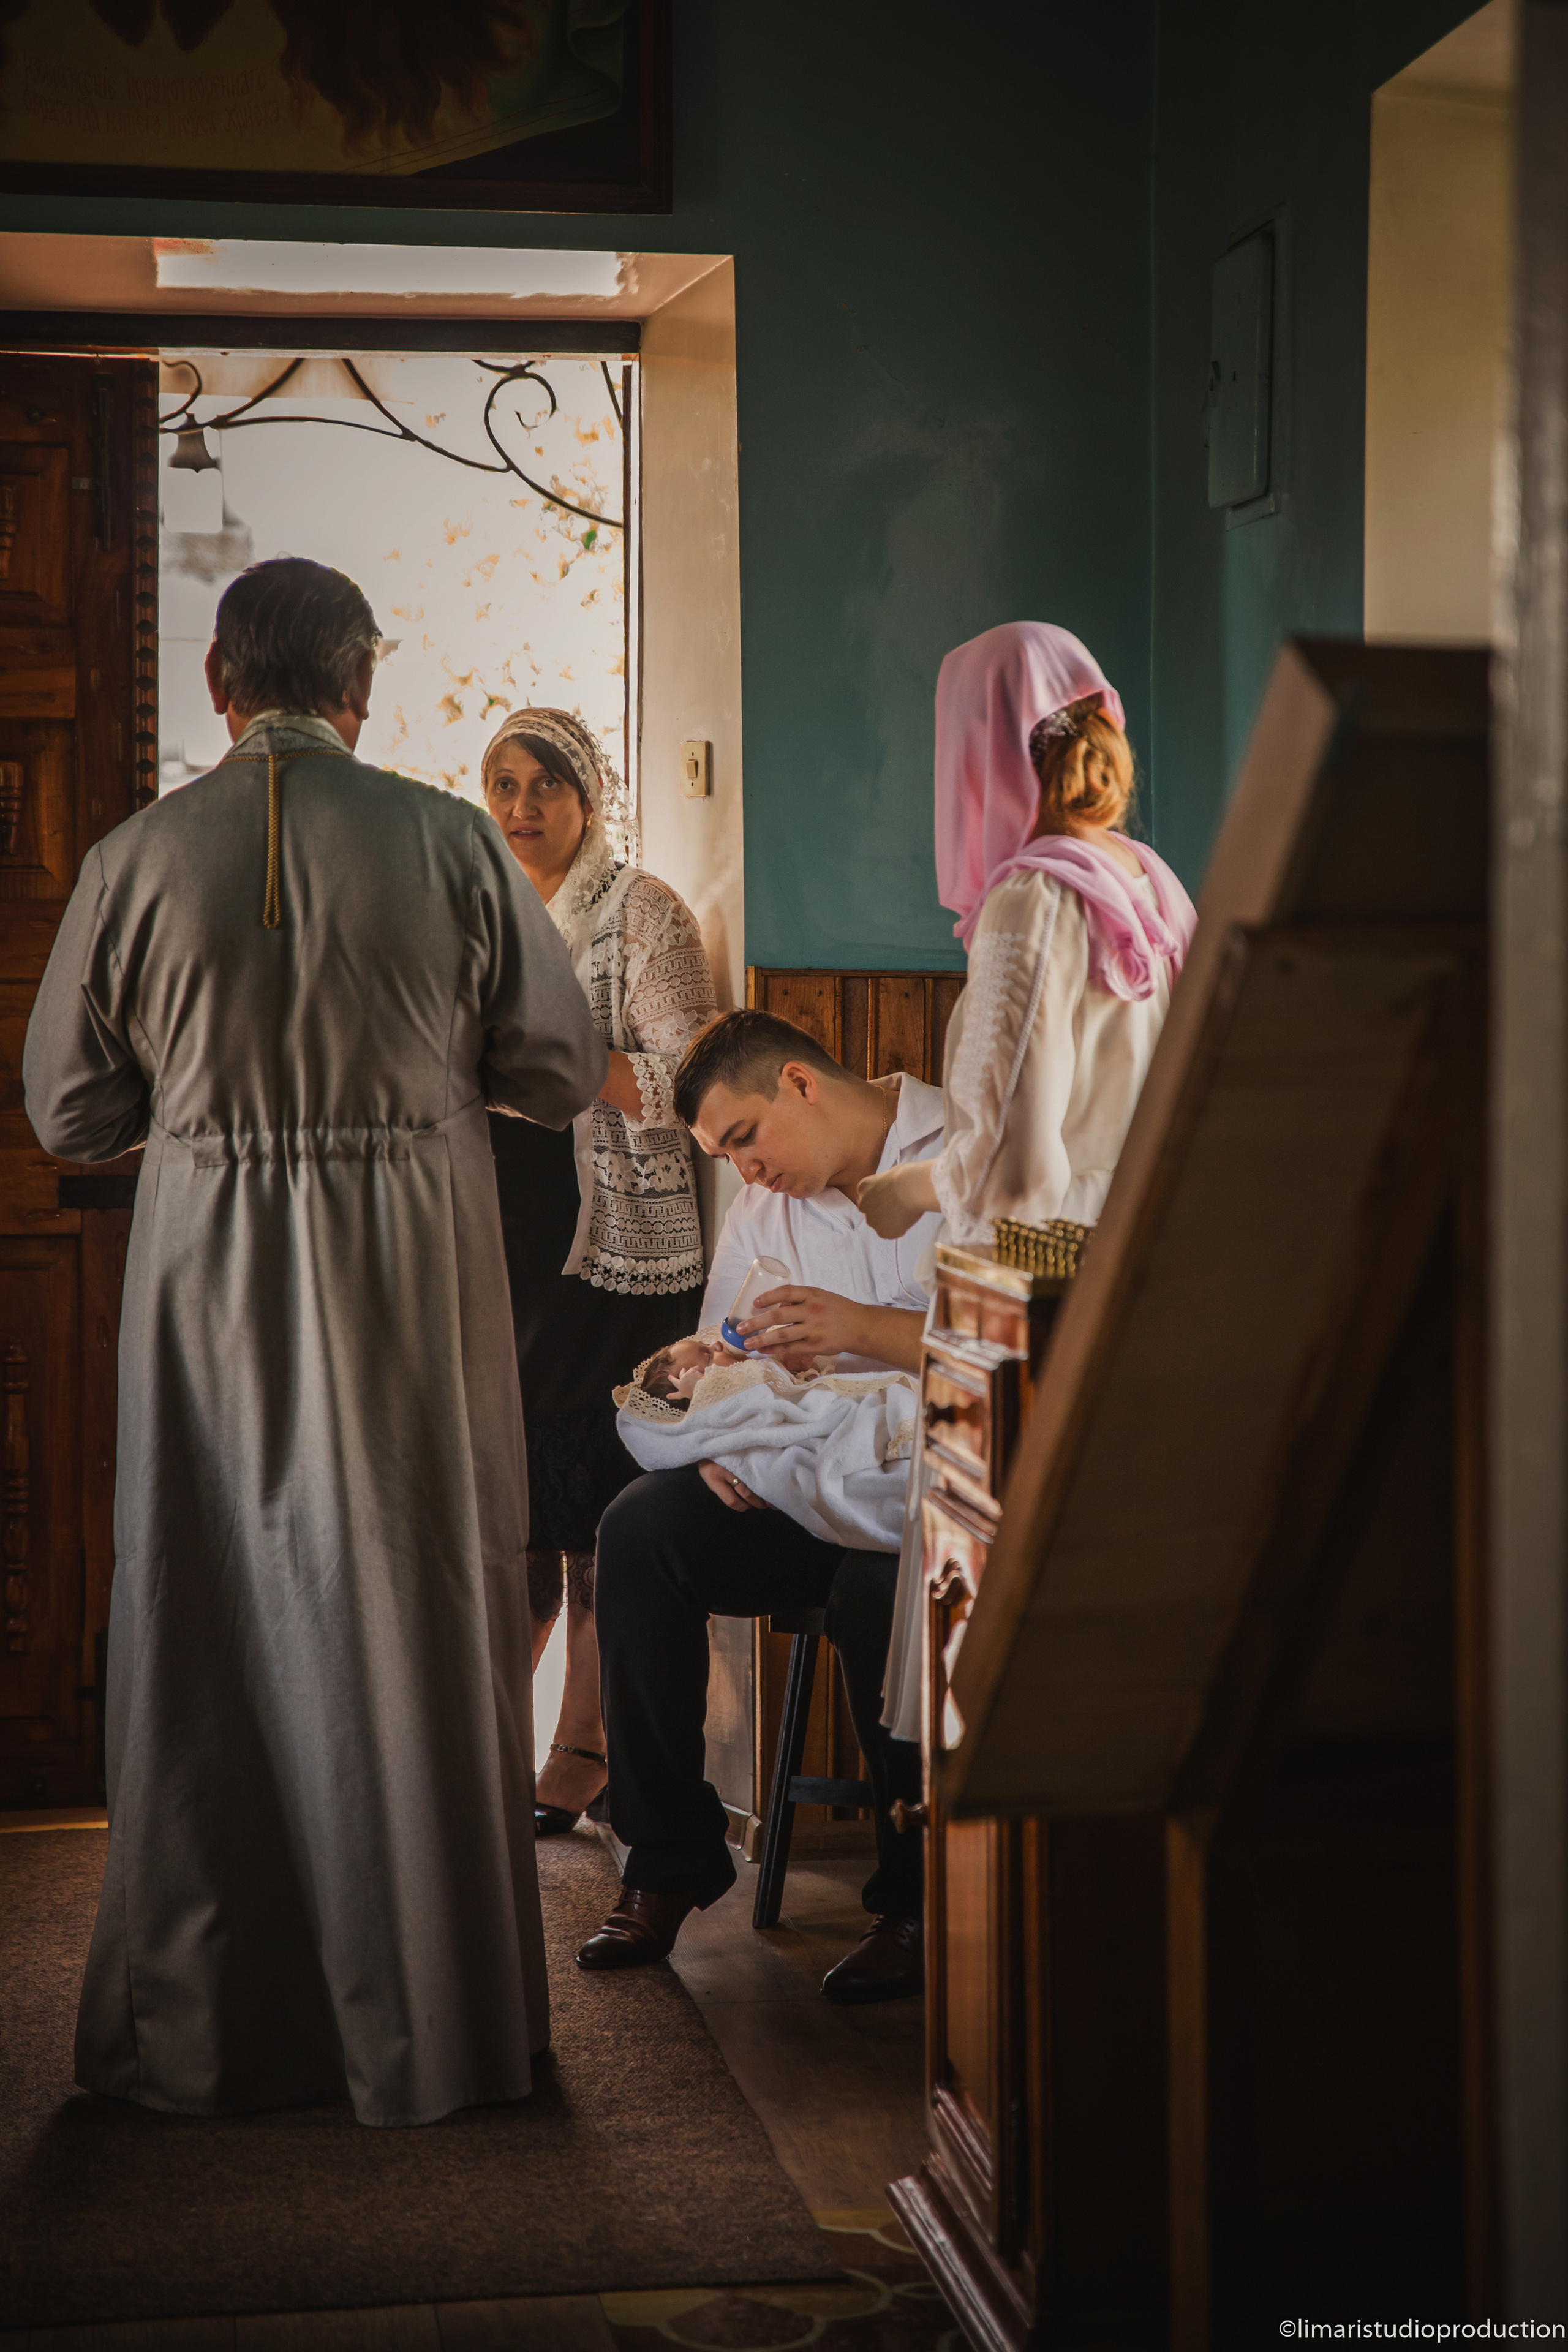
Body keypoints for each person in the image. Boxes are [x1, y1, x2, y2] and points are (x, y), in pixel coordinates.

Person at [22, 557, 606, 2128]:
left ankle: (206, 2030)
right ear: (361, 691)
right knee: (410, 1595)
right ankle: (431, 2019)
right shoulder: (452, 839)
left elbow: (70, 1108)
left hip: (208, 1254)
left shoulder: (135, 856)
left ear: (221, 683)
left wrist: (212, 1111)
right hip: (411, 1255)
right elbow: (557, 1074)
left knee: (211, 1597)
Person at [858, 620, 1197, 1742]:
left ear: (980, 752)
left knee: (984, 1620)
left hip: (1032, 1280)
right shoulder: (1149, 883)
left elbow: (1005, 1160)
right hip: (1142, 1271)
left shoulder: (1027, 905)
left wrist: (904, 1190)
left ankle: (957, 1906)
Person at [576, 1009, 941, 2003]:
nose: (746, 1172)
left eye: (744, 1139)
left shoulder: (970, 1149)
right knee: (640, 1530)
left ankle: (917, 1904)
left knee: (885, 1591)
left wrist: (863, 1329)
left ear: (801, 1084)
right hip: (793, 1478)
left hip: (923, 1489)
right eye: (722, 1156)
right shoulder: (761, 1212)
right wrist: (706, 1413)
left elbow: (1025, 1340)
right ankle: (670, 1860)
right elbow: (723, 1355)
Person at [481, 709, 716, 1837]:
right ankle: (482, 1746)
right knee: (518, 1505)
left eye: (546, 785)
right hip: (507, 1239)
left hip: (613, 1248)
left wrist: (568, 1063)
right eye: (505, 784)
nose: (523, 808)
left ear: (590, 796)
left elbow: (692, 1082)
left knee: (590, 1514)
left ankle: (583, 1749)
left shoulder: (642, 913)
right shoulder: (479, 911)